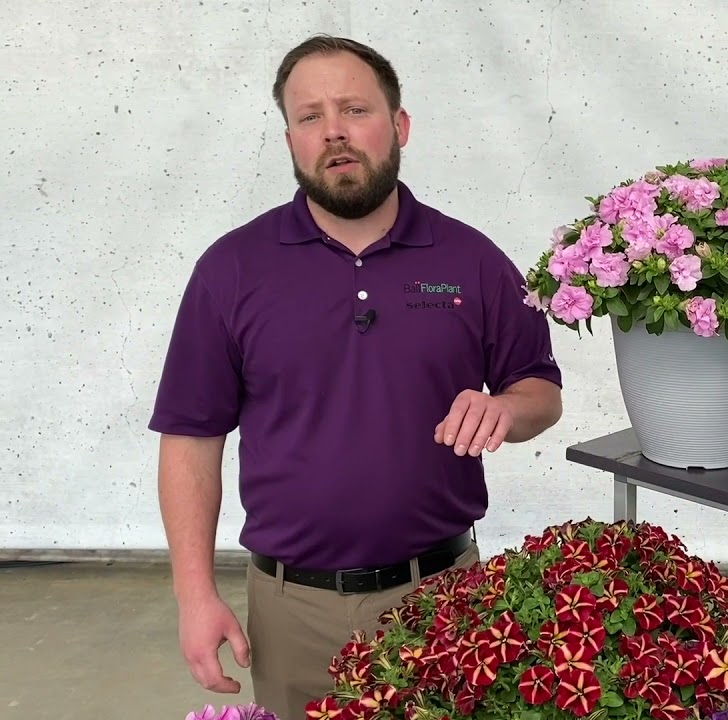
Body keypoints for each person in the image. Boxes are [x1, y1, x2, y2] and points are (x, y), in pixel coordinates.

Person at [147, 34, 563, 720]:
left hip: (444, 598)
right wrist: (195, 597)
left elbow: (538, 390)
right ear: (290, 140)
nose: (333, 131)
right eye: (309, 116)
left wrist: (507, 411)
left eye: (354, 109)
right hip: (291, 609)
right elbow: (191, 438)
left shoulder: (473, 260)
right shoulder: (232, 270)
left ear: (399, 126)